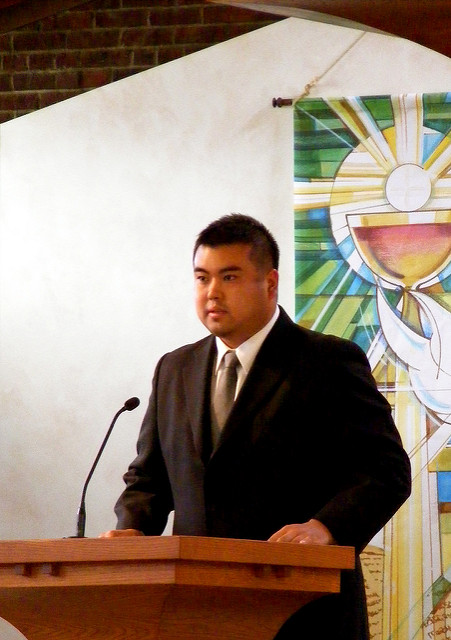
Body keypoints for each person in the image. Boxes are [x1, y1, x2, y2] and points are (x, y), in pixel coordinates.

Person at [100, 213, 411, 639]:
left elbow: (386, 472)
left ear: (269, 283)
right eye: (201, 278)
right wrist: (132, 529)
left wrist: (326, 528)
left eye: (229, 277)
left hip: (303, 612)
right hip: (194, 612)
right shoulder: (174, 369)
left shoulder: (327, 362)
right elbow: (150, 479)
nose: (211, 293)